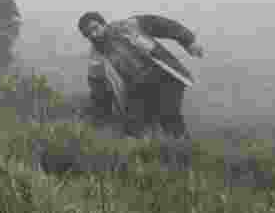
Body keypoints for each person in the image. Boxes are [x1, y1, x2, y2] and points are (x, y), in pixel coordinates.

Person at [78, 11, 205, 139]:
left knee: (169, 117)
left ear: (104, 24)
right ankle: (150, 153)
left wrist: (188, 41)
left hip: (164, 77)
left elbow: (162, 25)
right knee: (133, 129)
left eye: (95, 28)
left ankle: (184, 149)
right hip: (137, 88)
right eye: (88, 34)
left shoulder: (127, 26)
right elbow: (99, 92)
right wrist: (98, 116)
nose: (94, 34)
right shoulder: (96, 60)